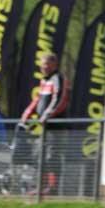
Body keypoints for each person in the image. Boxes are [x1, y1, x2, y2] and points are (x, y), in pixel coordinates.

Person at [20, 52, 70, 195]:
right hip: (45, 126)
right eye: (42, 64)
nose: (44, 67)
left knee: (52, 155)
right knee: (39, 154)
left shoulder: (58, 78)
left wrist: (48, 114)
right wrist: (27, 113)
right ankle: (40, 186)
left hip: (56, 126)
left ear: (55, 64)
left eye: (47, 64)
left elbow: (60, 99)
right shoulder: (44, 80)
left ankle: (52, 187)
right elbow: (38, 99)